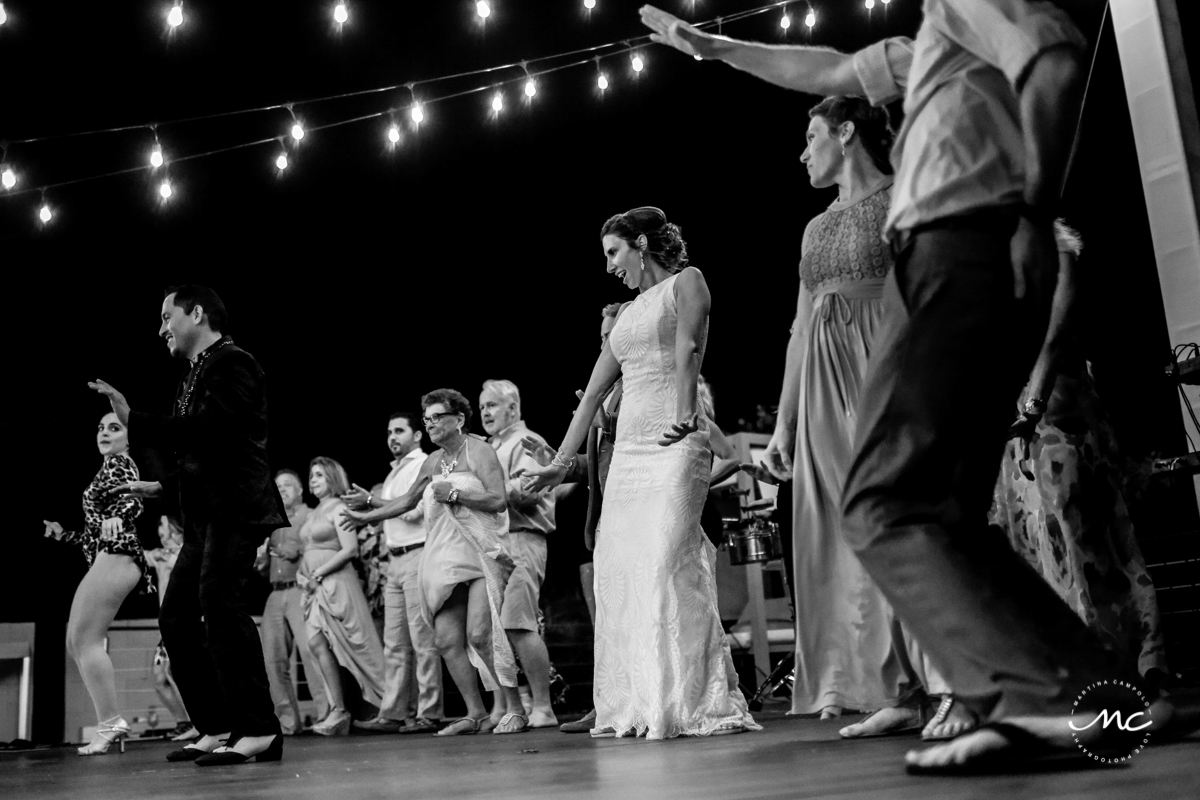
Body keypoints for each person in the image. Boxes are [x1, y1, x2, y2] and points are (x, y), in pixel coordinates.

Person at [521, 207, 759, 740]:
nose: (609, 267)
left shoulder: (686, 283)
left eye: (613, 253)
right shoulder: (625, 316)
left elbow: (689, 349)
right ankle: (638, 701)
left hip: (675, 442)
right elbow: (590, 398)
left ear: (642, 242)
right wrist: (559, 463)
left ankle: (690, 700)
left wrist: (682, 410)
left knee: (666, 562)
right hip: (627, 454)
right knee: (620, 571)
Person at [90, 285, 287, 766]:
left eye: (166, 317)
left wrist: (133, 419)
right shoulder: (196, 373)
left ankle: (259, 729)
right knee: (176, 615)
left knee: (220, 604)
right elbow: (207, 452)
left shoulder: (233, 363)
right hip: (206, 512)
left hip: (237, 509)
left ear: (197, 314)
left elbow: (213, 432)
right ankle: (216, 724)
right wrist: (162, 487)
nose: (161, 328)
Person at [752, 94, 903, 720]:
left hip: (885, 364)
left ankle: (910, 683)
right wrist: (783, 424)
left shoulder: (903, 199)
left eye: (811, 135)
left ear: (846, 134)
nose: (802, 150)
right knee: (833, 528)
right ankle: (851, 681)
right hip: (821, 382)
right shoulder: (814, 227)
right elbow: (798, 326)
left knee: (891, 515)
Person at [990, 220, 1167, 680]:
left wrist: (1031, 407)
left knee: (1084, 541)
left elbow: (1056, 334)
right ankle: (1066, 677)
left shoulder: (1052, 243)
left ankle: (1129, 671)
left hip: (1055, 412)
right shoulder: (972, 249)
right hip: (1009, 419)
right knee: (1031, 543)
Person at [343, 390, 527, 736]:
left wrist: (456, 494)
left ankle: (515, 708)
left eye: (436, 417)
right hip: (442, 559)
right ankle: (474, 713)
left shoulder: (480, 450)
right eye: (426, 419)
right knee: (445, 640)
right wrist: (367, 514)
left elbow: (499, 500)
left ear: (458, 419)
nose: (430, 425)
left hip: (478, 555)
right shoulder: (432, 462)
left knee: (480, 634)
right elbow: (405, 502)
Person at [43, 412, 153, 756]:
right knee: (76, 641)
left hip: (119, 554)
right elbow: (94, 533)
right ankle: (109, 721)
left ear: (128, 438)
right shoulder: (105, 468)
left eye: (115, 427)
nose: (105, 432)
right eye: (101, 428)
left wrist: (121, 516)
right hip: (107, 553)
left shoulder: (122, 463)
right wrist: (65, 536)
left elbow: (132, 498)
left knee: (84, 639)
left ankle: (110, 722)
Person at [345, 411, 444, 735]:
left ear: (417, 436)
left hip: (417, 555)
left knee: (422, 640)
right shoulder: (394, 474)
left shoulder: (422, 463)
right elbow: (390, 516)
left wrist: (373, 504)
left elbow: (416, 512)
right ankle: (394, 712)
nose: (392, 437)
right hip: (394, 560)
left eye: (400, 430)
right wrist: (368, 511)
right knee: (395, 644)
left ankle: (430, 713)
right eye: (389, 432)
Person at [480, 379, 559, 730]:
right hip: (495, 545)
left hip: (523, 539)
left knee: (518, 622)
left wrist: (473, 492)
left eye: (492, 405)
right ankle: (517, 704)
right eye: (482, 406)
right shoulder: (490, 446)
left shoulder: (529, 442)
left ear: (513, 408)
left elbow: (528, 489)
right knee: (495, 630)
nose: (484, 411)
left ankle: (543, 706)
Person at [297, 457, 386, 736]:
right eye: (312, 475)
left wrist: (319, 573)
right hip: (314, 587)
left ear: (333, 479)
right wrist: (304, 576)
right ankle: (338, 709)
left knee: (357, 644)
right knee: (316, 643)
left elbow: (349, 549)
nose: (313, 479)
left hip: (337, 584)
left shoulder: (340, 508)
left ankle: (386, 705)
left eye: (320, 475)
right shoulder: (313, 513)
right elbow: (307, 552)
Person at [256, 469, 331, 735]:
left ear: (300, 491)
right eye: (278, 486)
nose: (283, 489)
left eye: (288, 485)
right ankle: (288, 723)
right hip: (275, 592)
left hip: (300, 589)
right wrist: (263, 562)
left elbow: (322, 548)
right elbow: (267, 565)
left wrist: (297, 551)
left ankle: (327, 714)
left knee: (311, 652)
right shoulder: (272, 521)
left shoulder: (310, 515)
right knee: (272, 659)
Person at [143, 515, 198, 741]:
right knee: (159, 677)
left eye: (163, 525)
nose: (160, 532)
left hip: (186, 622)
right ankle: (184, 722)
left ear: (176, 528)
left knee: (183, 673)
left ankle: (201, 722)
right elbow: (135, 555)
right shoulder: (160, 556)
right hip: (167, 626)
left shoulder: (191, 552)